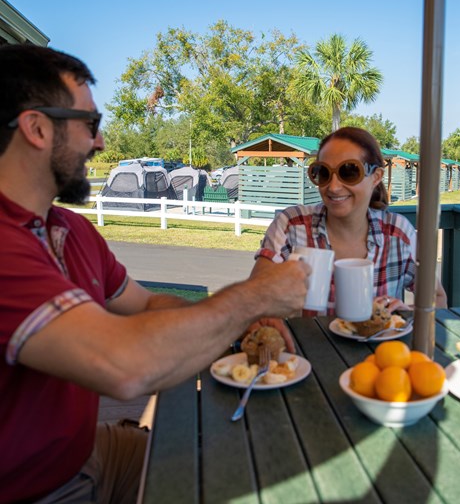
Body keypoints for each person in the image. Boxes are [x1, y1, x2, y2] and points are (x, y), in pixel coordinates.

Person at [0, 44, 310, 503]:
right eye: (90, 124)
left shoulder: (72, 230)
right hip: (33, 489)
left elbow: (145, 304)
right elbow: (125, 367)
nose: (100, 142)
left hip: (86, 454)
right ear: (37, 128)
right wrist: (255, 297)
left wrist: (236, 325)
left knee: (228, 467)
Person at [250, 126, 447, 322]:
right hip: (303, 351)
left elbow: (437, 298)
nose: (333, 187)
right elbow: (254, 298)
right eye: (323, 173)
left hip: (378, 352)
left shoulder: (397, 234)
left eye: (349, 172)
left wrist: (406, 313)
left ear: (376, 177)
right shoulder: (292, 225)